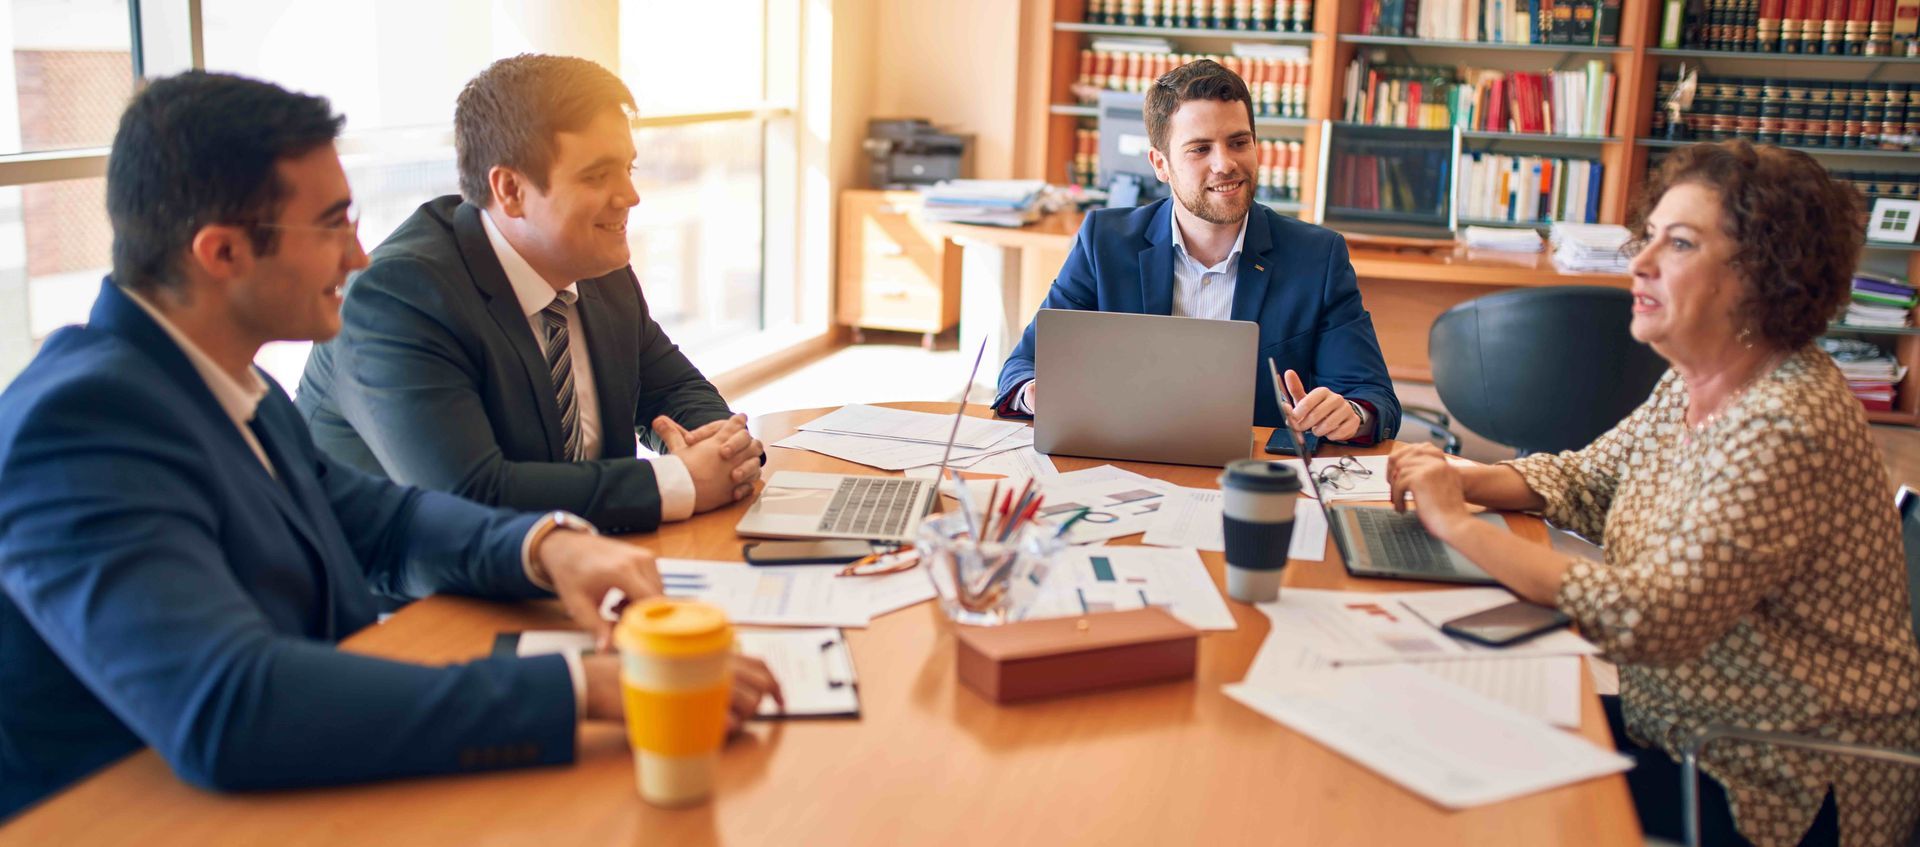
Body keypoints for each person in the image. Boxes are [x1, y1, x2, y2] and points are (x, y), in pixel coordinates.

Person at [0, 71, 777, 820]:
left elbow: (387, 520)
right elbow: (230, 705)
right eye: (332, 222)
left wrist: (547, 548)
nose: (358, 254)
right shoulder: (78, 427)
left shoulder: (232, 386)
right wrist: (591, 688)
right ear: (222, 253)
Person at [1387, 140, 1920, 846]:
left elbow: (1649, 617)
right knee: (1446, 726)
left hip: (1772, 773)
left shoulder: (1789, 423)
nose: (1639, 264)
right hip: (1676, 721)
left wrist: (1458, 525)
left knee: (1474, 798)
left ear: (1766, 273)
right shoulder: (1699, 375)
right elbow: (1592, 476)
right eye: (1650, 238)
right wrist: (1465, 477)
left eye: (1680, 244)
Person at [297, 54, 760, 536]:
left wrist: (722, 449)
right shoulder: (399, 296)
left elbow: (672, 388)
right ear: (511, 189)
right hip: (410, 600)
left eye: (628, 167)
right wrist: (679, 481)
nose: (630, 195)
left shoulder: (593, 264)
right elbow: (469, 494)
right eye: (598, 176)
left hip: (585, 565)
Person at [994, 59, 1399, 443]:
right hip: (1124, 465)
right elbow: (1022, 367)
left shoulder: (1318, 256)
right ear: (1160, 164)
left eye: (1238, 142)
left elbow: (1373, 396)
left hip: (1252, 476)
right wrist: (1038, 392)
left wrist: (1351, 413)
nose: (1225, 164)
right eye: (1200, 149)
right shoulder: (1104, 242)